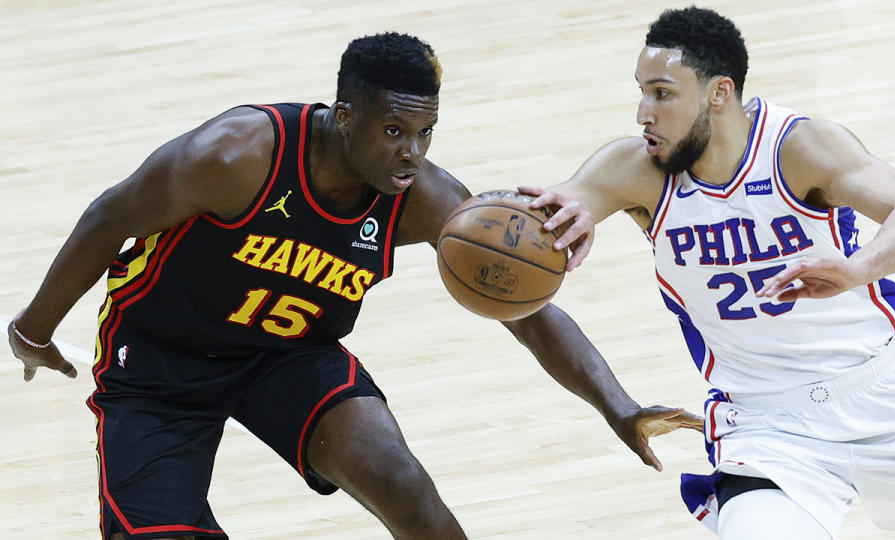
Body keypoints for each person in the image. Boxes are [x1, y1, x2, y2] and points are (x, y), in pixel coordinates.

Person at [6, 32, 702, 540]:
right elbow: (106, 219)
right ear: (345, 116)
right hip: (161, 361)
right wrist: (33, 331)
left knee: (404, 485)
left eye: (426, 131)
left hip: (288, 356)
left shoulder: (424, 198)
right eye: (394, 130)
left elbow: (528, 311)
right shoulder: (233, 157)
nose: (413, 153)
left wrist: (616, 405)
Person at [523, 7, 895, 540]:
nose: (643, 112)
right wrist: (555, 222)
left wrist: (857, 267)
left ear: (719, 93)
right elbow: (563, 202)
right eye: (641, 92)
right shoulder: (635, 170)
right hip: (768, 429)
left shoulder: (799, 147)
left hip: (893, 398)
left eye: (662, 93)